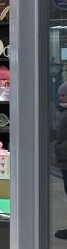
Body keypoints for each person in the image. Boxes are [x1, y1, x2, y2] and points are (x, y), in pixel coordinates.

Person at [54, 82, 67, 240]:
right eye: (60, 95)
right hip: (63, 159)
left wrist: (59, 148)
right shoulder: (62, 111)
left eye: (64, 95)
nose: (61, 98)